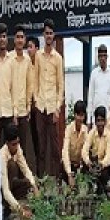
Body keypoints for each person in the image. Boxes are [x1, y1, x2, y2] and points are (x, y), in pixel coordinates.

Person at [35, 19, 64, 177]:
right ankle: (41, 182)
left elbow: (61, 85)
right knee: (41, 148)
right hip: (40, 107)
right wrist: (35, 101)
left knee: (54, 148)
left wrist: (57, 108)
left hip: (52, 108)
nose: (48, 36)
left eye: (51, 33)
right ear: (43, 35)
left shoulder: (58, 58)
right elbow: (35, 81)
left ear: (54, 36)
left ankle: (57, 181)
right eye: (46, 33)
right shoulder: (38, 56)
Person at [9, 25, 35, 172]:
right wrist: (13, 110)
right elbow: (8, 86)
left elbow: (29, 86)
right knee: (9, 148)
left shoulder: (27, 61)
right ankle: (9, 180)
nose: (19, 40)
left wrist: (28, 107)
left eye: (22, 37)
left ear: (25, 40)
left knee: (22, 148)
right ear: (14, 39)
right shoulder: (9, 59)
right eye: (17, 37)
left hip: (24, 112)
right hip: (10, 112)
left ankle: (21, 181)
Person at [0, 124, 36, 220]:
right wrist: (21, 210)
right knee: (11, 165)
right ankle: (5, 211)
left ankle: (15, 204)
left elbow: (25, 168)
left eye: (18, 142)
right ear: (7, 143)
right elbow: (5, 190)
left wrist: (34, 186)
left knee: (29, 182)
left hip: (11, 183)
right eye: (13, 144)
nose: (16, 146)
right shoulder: (2, 156)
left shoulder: (18, 148)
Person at [82, 106, 110, 194]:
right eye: (98, 120)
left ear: (105, 121)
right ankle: (89, 187)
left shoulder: (109, 135)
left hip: (103, 166)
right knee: (84, 164)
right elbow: (84, 150)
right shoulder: (92, 133)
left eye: (102, 120)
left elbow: (108, 155)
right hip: (93, 164)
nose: (100, 123)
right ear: (95, 122)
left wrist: (102, 164)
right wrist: (88, 162)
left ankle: (106, 186)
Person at [87, 44, 110, 125]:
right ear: (98, 57)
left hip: (108, 117)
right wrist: (89, 120)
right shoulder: (94, 73)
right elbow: (90, 97)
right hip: (96, 117)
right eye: (100, 56)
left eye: (104, 56)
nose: (102, 58)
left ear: (107, 57)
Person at [61, 100, 88, 186]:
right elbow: (65, 151)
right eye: (78, 115)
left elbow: (86, 150)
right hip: (69, 164)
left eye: (82, 115)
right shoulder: (68, 129)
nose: (80, 118)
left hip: (79, 165)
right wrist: (69, 174)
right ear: (74, 115)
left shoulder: (85, 130)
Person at [26, 36, 41, 162]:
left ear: (37, 48)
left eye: (30, 47)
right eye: (27, 47)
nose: (28, 50)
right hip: (28, 107)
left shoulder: (40, 65)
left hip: (39, 106)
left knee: (39, 137)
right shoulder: (26, 64)